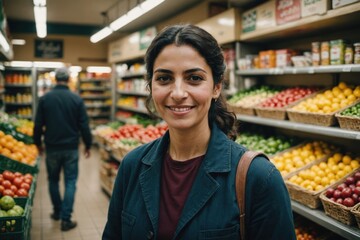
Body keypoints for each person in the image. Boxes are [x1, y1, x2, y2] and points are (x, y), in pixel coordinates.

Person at [102, 24, 296, 240]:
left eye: (194, 78)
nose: (177, 93)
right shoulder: (132, 166)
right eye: (164, 78)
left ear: (216, 87)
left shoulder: (259, 178)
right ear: (150, 86)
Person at [33, 67, 92, 231]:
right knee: (71, 181)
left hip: (52, 147)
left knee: (53, 180)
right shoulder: (76, 99)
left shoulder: (45, 99)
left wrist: (37, 143)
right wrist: (88, 144)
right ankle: (66, 219)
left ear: (55, 80)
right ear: (68, 80)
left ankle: (57, 212)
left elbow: (38, 125)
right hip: (71, 147)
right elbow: (84, 125)